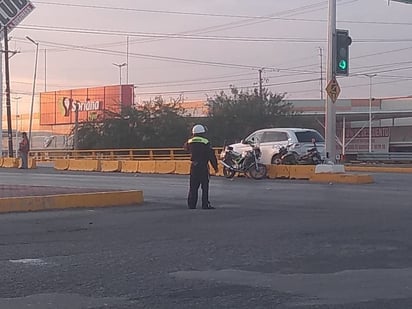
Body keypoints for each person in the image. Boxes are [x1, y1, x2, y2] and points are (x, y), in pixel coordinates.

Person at [184, 124, 218, 210]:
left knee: (193, 186)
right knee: (204, 186)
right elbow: (211, 155)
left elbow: (185, 148)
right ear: (202, 132)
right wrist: (215, 167)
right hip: (203, 166)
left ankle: (191, 204)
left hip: (194, 166)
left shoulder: (189, 141)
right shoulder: (206, 142)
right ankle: (205, 204)